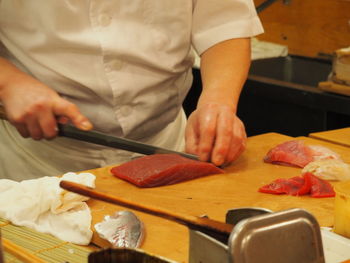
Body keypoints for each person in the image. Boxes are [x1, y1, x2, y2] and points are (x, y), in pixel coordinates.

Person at [0, 1, 263, 180]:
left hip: (167, 147)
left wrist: (218, 103)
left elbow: (225, 22)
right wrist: (9, 82)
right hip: (39, 160)